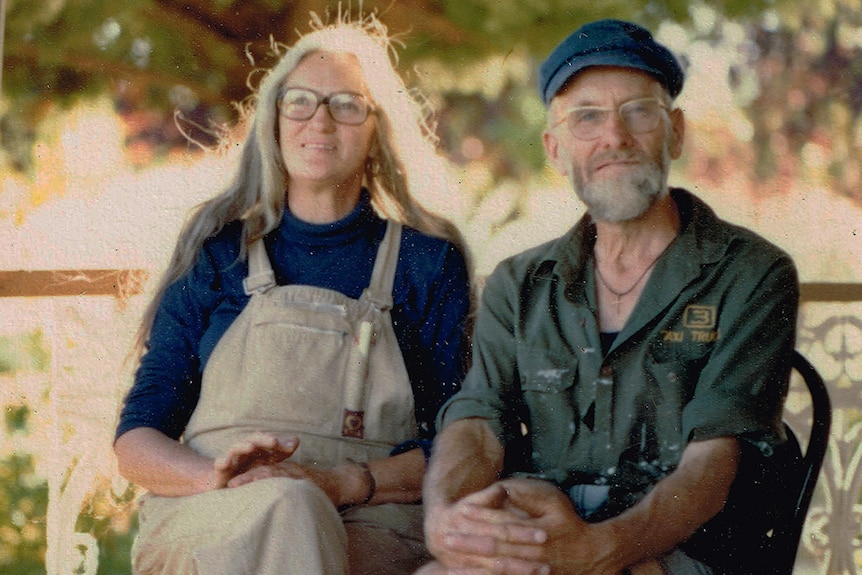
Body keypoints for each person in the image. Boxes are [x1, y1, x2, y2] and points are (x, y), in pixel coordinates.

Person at [419, 19, 799, 575]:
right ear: (554, 146)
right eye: (586, 117)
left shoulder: (751, 273)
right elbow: (479, 420)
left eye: (638, 112)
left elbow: (712, 464)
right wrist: (443, 519)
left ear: (675, 131)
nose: (614, 138)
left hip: (684, 550)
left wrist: (599, 551)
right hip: (548, 533)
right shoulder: (519, 283)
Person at [113, 12, 472, 575]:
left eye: (346, 105)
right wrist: (221, 478)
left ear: (378, 127)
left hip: (372, 518)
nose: (320, 121)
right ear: (274, 121)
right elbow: (138, 437)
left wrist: (338, 483)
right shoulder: (217, 252)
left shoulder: (427, 262)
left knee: (296, 508)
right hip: (213, 515)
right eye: (300, 101)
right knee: (285, 507)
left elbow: (460, 443)